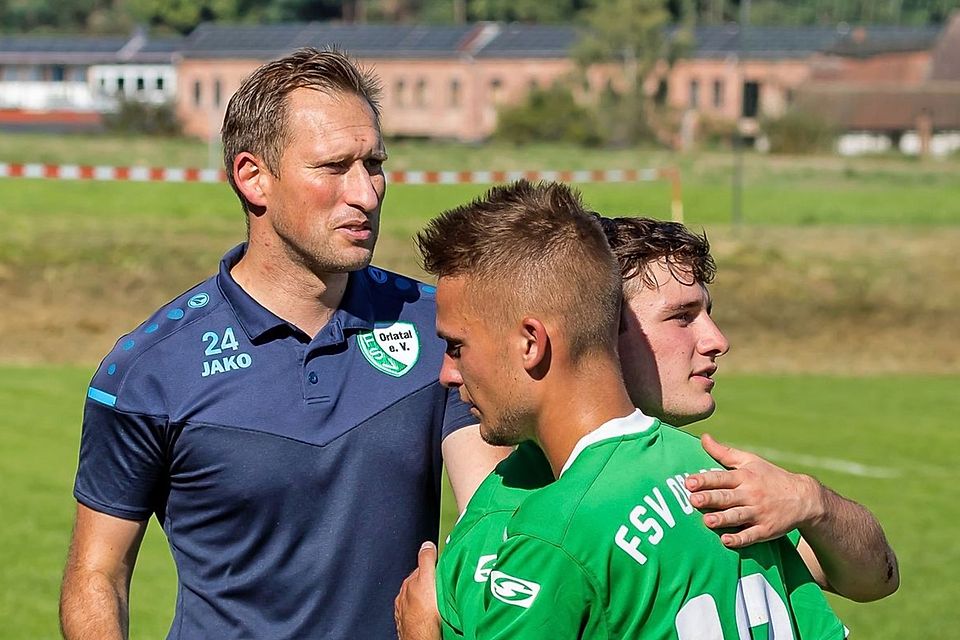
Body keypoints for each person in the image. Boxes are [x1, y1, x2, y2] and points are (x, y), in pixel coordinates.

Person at [59, 48, 505, 640]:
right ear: (253, 178)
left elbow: (492, 521)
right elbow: (97, 574)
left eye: (374, 164)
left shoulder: (440, 329)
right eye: (334, 166)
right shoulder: (147, 371)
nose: (367, 193)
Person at [398, 181, 860, 639]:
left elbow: (873, 575)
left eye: (457, 347)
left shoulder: (552, 535)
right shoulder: (703, 472)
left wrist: (420, 633)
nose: (447, 374)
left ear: (533, 343)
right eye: (682, 317)